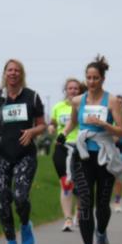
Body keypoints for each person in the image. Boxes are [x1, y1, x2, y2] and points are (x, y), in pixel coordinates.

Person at [61, 55, 122, 244]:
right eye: (88, 78)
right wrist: (62, 135)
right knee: (85, 201)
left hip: (104, 154)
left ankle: (100, 232)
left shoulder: (113, 100)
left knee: (101, 203)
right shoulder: (77, 100)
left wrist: (104, 124)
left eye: (96, 78)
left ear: (102, 79)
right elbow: (73, 122)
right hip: (83, 154)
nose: (91, 82)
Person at [0, 59, 46, 244]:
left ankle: (25, 224)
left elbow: (42, 124)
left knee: (20, 196)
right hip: (1, 155)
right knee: (3, 198)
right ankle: (10, 241)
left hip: (25, 155)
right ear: (5, 73)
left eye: (17, 70)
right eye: (10, 70)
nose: (13, 73)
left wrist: (33, 132)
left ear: (22, 74)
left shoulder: (32, 97)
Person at [49, 78, 82, 231]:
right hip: (62, 146)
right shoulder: (58, 107)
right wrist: (51, 127)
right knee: (66, 183)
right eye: (70, 88)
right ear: (66, 90)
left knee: (80, 183)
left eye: (76, 88)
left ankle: (79, 213)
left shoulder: (84, 107)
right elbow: (53, 123)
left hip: (81, 146)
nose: (73, 91)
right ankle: (68, 219)